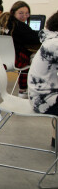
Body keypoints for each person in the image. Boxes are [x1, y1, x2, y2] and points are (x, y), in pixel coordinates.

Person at [0, 1, 41, 98]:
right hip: (16, 60)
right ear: (13, 13)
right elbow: (36, 39)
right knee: (34, 58)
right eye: (21, 13)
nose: (25, 16)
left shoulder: (2, 24)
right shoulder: (19, 26)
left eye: (27, 13)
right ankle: (23, 90)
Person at [28, 11, 58, 146]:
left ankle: (55, 139)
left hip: (42, 95)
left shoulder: (51, 40)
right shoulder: (55, 44)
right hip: (43, 100)